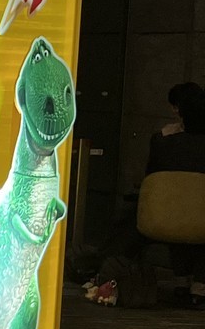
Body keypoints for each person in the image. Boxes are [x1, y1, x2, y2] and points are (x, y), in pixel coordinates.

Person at [83, 81, 205, 305]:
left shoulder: (162, 140)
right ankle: (198, 286)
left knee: (143, 217)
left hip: (164, 217)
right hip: (200, 218)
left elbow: (153, 176)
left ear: (178, 110)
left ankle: (102, 272)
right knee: (193, 216)